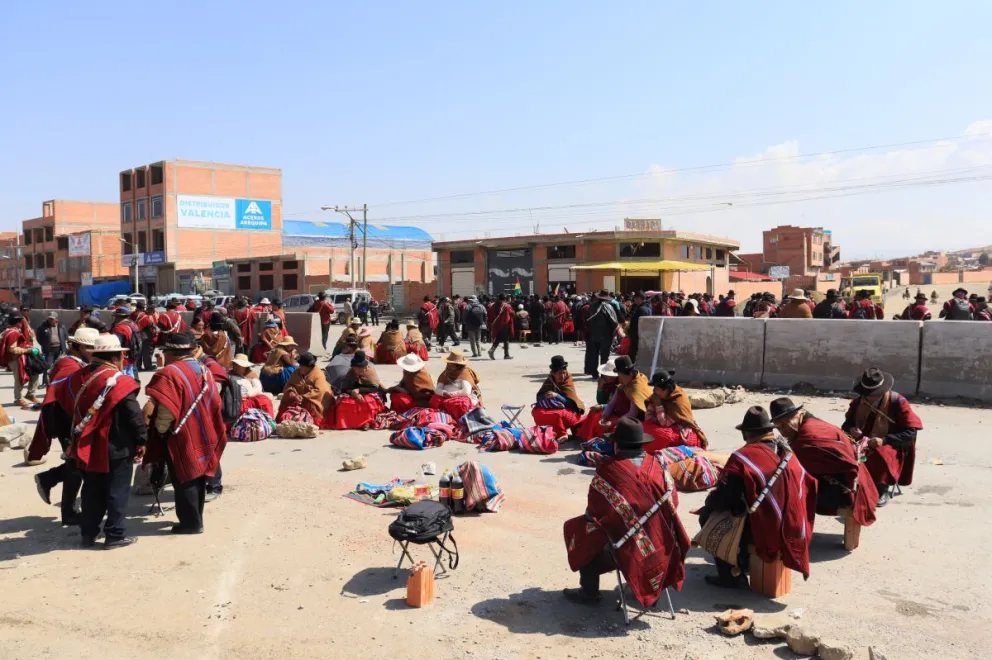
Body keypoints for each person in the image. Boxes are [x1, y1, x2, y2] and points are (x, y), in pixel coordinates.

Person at [562, 418, 689, 605]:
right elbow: (673, 503)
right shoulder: (659, 467)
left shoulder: (609, 470)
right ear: (641, 444)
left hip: (625, 546)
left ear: (615, 445)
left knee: (582, 534)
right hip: (664, 543)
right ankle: (653, 588)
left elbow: (594, 513)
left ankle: (589, 593)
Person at [698, 406, 817, 588]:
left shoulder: (743, 457)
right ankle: (743, 563)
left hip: (767, 528)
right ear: (769, 431)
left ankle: (730, 576)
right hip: (794, 523)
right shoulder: (787, 450)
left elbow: (725, 498)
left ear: (746, 434)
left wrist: (709, 503)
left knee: (708, 517)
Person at [67, 334, 147, 549]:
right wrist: (142, 439)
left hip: (87, 444)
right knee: (116, 491)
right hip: (116, 445)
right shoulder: (119, 381)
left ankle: (88, 534)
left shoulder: (78, 377)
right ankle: (115, 534)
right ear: (118, 356)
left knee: (92, 491)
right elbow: (133, 414)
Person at [143, 332, 224, 534]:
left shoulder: (169, 373)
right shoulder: (204, 369)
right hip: (204, 430)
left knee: (184, 477)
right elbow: (215, 400)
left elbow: (167, 410)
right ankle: (197, 519)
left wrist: (160, 431)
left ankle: (190, 524)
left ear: (171, 353)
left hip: (181, 433)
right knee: (199, 477)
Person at [770, 397, 878, 528]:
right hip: (844, 480)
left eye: (783, 425)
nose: (781, 430)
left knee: (785, 491)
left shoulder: (809, 436)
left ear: (795, 417)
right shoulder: (810, 422)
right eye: (778, 427)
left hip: (845, 490)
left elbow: (794, 467)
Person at [28, 328, 98, 526]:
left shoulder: (74, 362)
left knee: (76, 463)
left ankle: (49, 480)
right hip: (66, 421)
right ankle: (68, 511)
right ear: (81, 347)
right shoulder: (69, 366)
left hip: (70, 420)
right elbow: (60, 397)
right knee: (77, 465)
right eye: (92, 348)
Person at [841, 367, 923, 507]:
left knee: (880, 453)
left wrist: (884, 440)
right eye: (866, 393)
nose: (868, 397)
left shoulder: (898, 402)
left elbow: (910, 432)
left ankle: (881, 488)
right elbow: (846, 425)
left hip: (890, 442)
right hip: (862, 441)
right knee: (842, 450)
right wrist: (851, 429)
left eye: (872, 394)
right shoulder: (858, 402)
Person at [643, 370, 707, 451]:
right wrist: (654, 405)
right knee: (643, 427)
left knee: (659, 435)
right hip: (666, 429)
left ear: (665, 389)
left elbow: (664, 424)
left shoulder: (677, 400)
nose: (654, 390)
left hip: (683, 435)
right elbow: (649, 418)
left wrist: (659, 406)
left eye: (656, 388)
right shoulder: (659, 396)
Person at [532, 355, 585, 439]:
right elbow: (539, 397)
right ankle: (549, 431)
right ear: (553, 373)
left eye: (564, 373)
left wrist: (556, 396)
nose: (563, 376)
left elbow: (571, 403)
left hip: (572, 411)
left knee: (556, 414)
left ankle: (562, 434)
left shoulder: (568, 380)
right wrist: (545, 397)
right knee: (536, 411)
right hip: (557, 408)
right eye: (560, 373)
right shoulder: (550, 380)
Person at [277, 352, 335, 428]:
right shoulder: (296, 373)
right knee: (288, 400)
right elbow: (288, 386)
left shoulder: (318, 375)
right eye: (300, 365)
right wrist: (293, 395)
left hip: (314, 401)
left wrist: (304, 397)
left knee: (310, 404)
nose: (300, 367)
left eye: (302, 366)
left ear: (309, 367)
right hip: (298, 399)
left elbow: (320, 391)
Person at [330, 352, 386, 430]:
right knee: (343, 402)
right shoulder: (351, 373)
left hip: (371, 392)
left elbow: (374, 388)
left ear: (365, 366)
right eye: (356, 367)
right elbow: (345, 389)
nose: (357, 370)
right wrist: (353, 393)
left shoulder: (370, 372)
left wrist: (359, 390)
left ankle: (367, 422)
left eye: (360, 367)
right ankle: (349, 423)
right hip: (354, 394)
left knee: (367, 401)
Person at [1, 311, 41, 406]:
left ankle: (30, 394)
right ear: (17, 322)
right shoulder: (13, 333)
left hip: (22, 357)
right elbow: (12, 349)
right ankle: (18, 398)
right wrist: (27, 351)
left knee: (35, 374)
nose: (21, 323)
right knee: (19, 378)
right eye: (20, 321)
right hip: (16, 359)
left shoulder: (10, 331)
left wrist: (27, 348)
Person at [431, 349, 482, 420]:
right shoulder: (445, 373)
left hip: (462, 397)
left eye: (451, 364)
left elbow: (466, 391)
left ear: (458, 366)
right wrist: (443, 393)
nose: (448, 365)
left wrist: (452, 394)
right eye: (448, 363)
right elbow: (438, 389)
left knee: (459, 405)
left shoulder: (465, 373)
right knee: (434, 399)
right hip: (446, 396)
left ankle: (460, 422)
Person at [583, 290, 619, 377]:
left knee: (594, 355)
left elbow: (586, 321)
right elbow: (614, 322)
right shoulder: (608, 307)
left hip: (593, 335)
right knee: (604, 356)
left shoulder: (591, 307)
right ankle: (603, 374)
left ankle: (594, 373)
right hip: (605, 335)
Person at [35, 311, 68, 385]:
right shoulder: (43, 326)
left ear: (56, 319)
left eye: (52, 319)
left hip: (60, 348)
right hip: (50, 349)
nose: (50, 320)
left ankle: (56, 381)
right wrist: (44, 344)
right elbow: (38, 337)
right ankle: (45, 382)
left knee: (59, 366)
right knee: (48, 365)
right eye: (49, 319)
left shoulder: (61, 326)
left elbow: (66, 336)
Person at [111, 307, 141, 378]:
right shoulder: (132, 324)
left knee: (123, 379)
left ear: (118, 317)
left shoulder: (120, 328)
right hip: (131, 355)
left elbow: (116, 344)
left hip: (123, 359)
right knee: (131, 377)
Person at [132, 300, 159, 371]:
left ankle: (138, 366)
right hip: (144, 336)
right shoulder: (144, 316)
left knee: (138, 352)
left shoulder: (132, 314)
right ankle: (148, 366)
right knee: (146, 352)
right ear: (143, 308)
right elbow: (150, 324)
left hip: (134, 335)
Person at [486, 293, 515, 360]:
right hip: (504, 325)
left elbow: (489, 314)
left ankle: (492, 350)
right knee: (506, 340)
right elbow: (512, 313)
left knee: (498, 338)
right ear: (505, 299)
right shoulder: (507, 306)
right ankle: (506, 354)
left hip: (496, 325)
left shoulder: (493, 305)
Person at [626, 291, 652, 362]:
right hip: (643, 335)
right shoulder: (647, 307)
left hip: (637, 335)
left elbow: (637, 323)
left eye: (636, 298)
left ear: (640, 299)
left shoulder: (641, 309)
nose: (634, 300)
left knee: (632, 355)